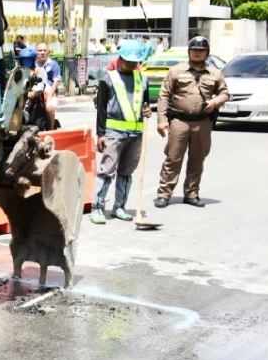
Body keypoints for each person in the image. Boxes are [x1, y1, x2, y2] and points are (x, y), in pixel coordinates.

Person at [154, 35, 230, 208]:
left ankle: (192, 193)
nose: (197, 53)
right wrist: (161, 120)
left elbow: (225, 93)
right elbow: (164, 95)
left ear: (207, 53)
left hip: (202, 123)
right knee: (173, 158)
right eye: (194, 50)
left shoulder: (215, 73)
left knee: (197, 159)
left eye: (201, 50)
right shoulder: (176, 71)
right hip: (179, 121)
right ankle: (164, 194)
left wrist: (214, 102)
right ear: (189, 51)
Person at [91, 40, 151, 224]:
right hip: (113, 133)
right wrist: (101, 134)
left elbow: (145, 105)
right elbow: (101, 108)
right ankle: (98, 208)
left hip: (135, 135)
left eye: (135, 62)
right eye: (128, 61)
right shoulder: (108, 79)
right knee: (107, 171)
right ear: (120, 58)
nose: (132, 64)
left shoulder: (143, 79)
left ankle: (119, 207)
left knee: (126, 172)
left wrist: (148, 111)